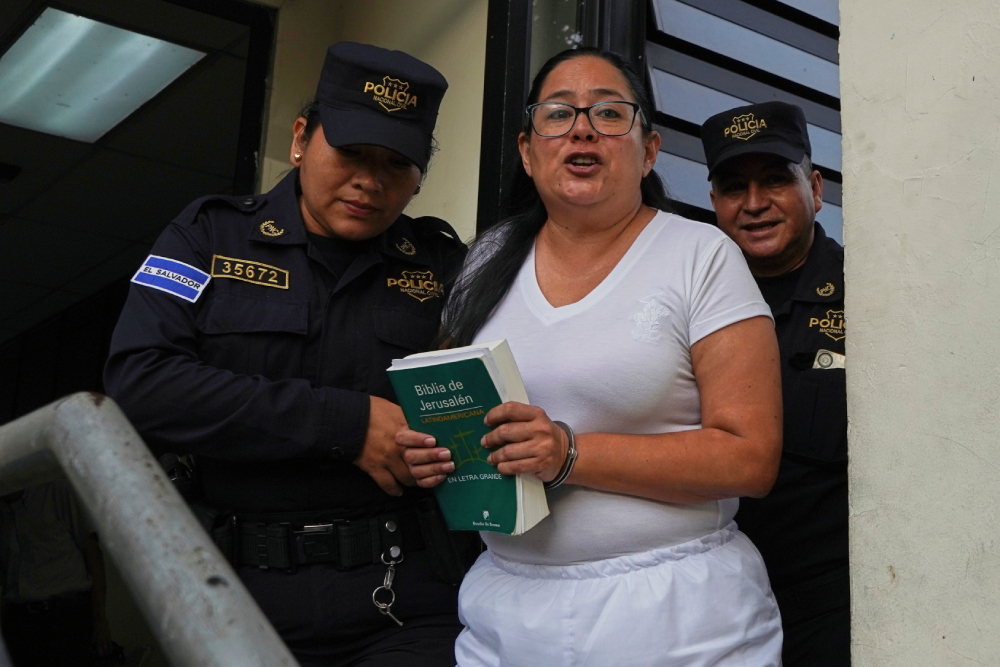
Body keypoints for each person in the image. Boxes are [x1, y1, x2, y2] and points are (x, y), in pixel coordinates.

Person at [399, 48, 784, 666]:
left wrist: (568, 453)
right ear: (528, 152)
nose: (582, 128)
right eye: (558, 114)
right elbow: (451, 411)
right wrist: (431, 452)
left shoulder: (699, 254)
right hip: (507, 611)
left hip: (676, 614)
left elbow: (750, 456)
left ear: (649, 151)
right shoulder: (486, 258)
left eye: (609, 113)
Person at [104, 42, 472, 667]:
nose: (370, 180)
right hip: (235, 597)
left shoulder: (443, 267)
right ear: (303, 137)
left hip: (404, 601)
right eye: (352, 152)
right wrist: (347, 425)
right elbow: (140, 382)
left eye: (396, 164)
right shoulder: (208, 236)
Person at [700, 101, 849, 666]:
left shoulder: (876, 302)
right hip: (712, 607)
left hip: (835, 610)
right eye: (735, 187)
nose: (755, 204)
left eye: (775, 181)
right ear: (714, 202)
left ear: (815, 188)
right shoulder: (686, 306)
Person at [0, 481, 112, 666]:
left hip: (66, 616)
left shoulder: (54, 489)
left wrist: (100, 617)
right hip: (21, 622)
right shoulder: (4, 511)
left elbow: (92, 551)